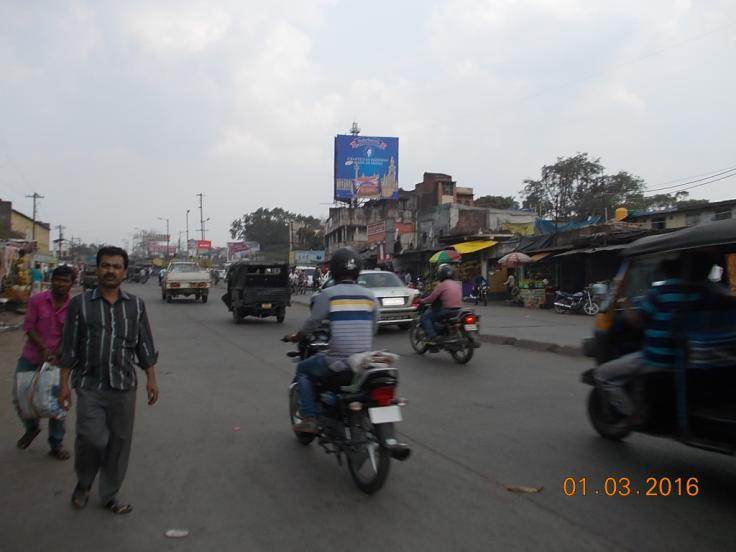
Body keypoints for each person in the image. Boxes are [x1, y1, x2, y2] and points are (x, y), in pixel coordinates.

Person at [57, 246, 159, 515]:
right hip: (90, 385)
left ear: (124, 272)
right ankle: (84, 482)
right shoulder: (80, 304)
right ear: (97, 269)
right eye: (105, 265)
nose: (110, 270)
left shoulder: (136, 305)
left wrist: (151, 379)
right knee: (90, 439)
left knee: (119, 443)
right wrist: (64, 384)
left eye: (116, 266)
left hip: (124, 387)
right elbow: (69, 346)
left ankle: (110, 494)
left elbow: (144, 345)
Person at [594, 255, 717, 421]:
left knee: (602, 375)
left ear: (664, 272)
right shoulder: (699, 292)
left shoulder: (659, 292)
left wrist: (623, 301)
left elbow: (637, 321)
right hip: (689, 357)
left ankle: (633, 414)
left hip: (658, 358)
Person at [285, 248, 377, 434]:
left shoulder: (328, 294)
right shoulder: (370, 296)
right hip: (364, 360)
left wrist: (297, 336)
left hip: (338, 361)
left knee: (302, 370)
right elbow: (373, 327)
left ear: (333, 271)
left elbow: (312, 323)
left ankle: (309, 418)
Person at [15, 265, 75, 460]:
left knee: (57, 405)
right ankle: (32, 428)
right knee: (21, 397)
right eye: (57, 279)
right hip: (31, 356)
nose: (60, 283)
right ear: (52, 280)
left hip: (58, 362)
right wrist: (42, 348)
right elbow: (29, 326)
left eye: (65, 280)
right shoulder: (37, 300)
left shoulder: (74, 307)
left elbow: (73, 335)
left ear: (71, 284)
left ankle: (56, 444)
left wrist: (58, 353)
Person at [418, 264, 462, 344]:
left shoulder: (442, 285)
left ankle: (432, 336)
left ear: (441, 275)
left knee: (426, 317)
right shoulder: (457, 284)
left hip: (446, 310)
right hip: (458, 310)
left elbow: (431, 298)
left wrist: (421, 301)